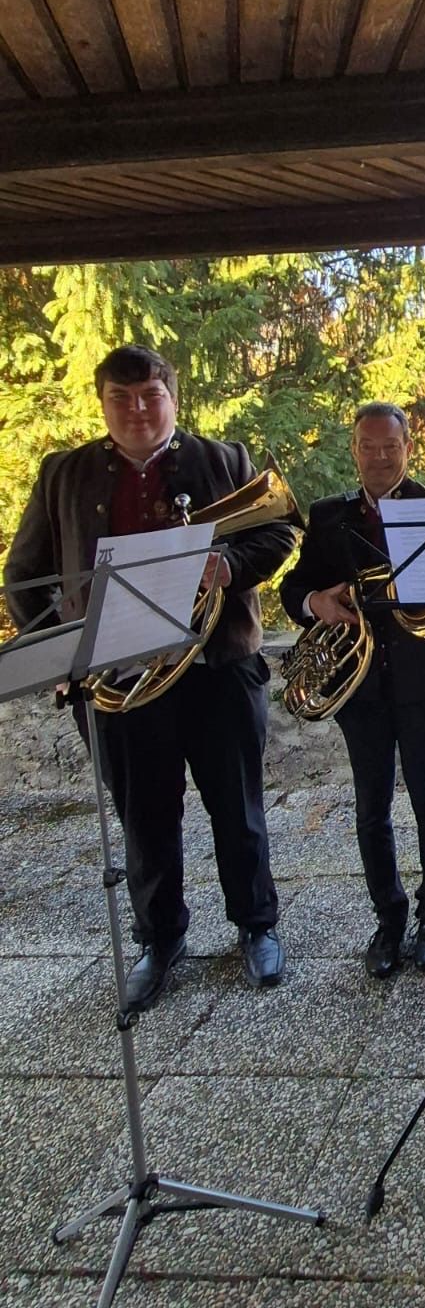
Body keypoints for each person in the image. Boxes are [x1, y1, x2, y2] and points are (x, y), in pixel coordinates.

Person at [5, 344, 295, 1013]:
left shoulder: (224, 460)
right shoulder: (64, 474)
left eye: (151, 395)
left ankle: (256, 926)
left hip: (216, 667)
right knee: (144, 817)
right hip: (117, 679)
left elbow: (278, 535)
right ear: (102, 402)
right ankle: (159, 939)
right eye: (122, 398)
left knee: (239, 808)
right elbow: (26, 576)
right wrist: (58, 657)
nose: (137, 410)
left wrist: (228, 567)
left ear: (173, 396)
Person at [280, 402, 425, 977]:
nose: (379, 457)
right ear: (355, 451)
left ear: (407, 448)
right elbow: (295, 587)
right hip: (358, 688)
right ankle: (389, 919)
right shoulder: (327, 516)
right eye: (368, 447)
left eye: (390, 447)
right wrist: (317, 602)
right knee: (372, 808)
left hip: (421, 685)